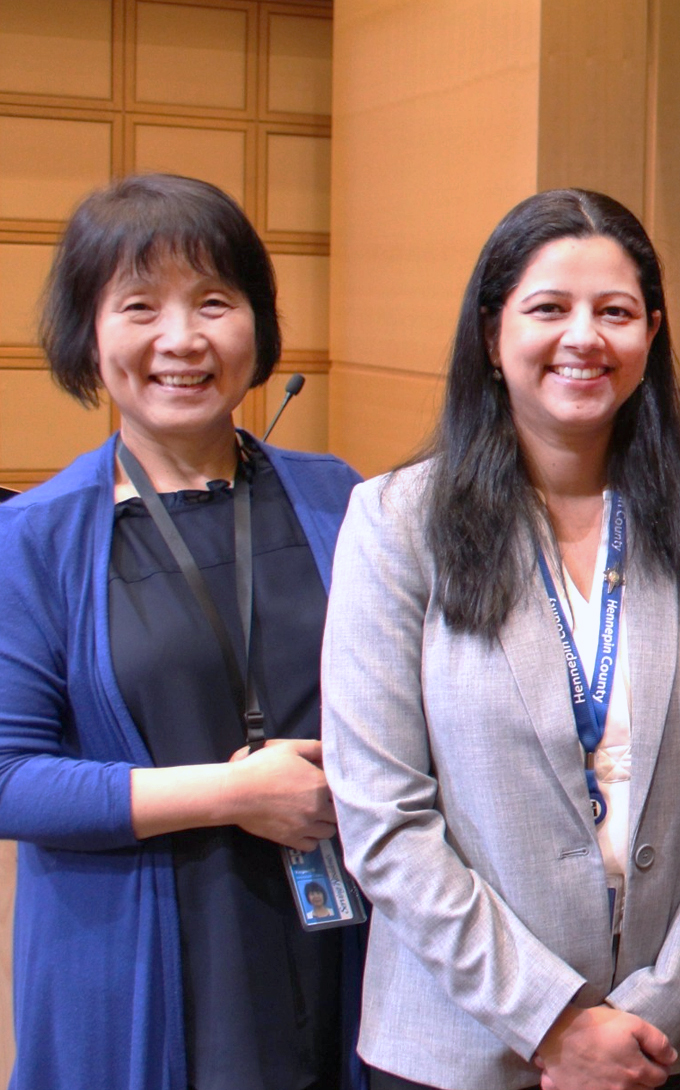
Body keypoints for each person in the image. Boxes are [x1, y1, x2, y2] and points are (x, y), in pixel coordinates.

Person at [322, 189, 680, 1090]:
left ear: (649, 338)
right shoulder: (395, 526)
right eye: (549, 308)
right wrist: (553, 1022)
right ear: (492, 334)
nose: (585, 337)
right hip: (463, 1045)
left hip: (673, 1043)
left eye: (614, 312)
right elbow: (383, 816)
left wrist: (652, 1010)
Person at [0, 173, 363, 1090]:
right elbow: (8, 781)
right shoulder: (34, 537)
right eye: (139, 306)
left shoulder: (342, 498)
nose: (182, 339)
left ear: (257, 323)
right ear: (89, 333)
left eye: (213, 301)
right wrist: (232, 795)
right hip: (135, 948)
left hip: (344, 930)